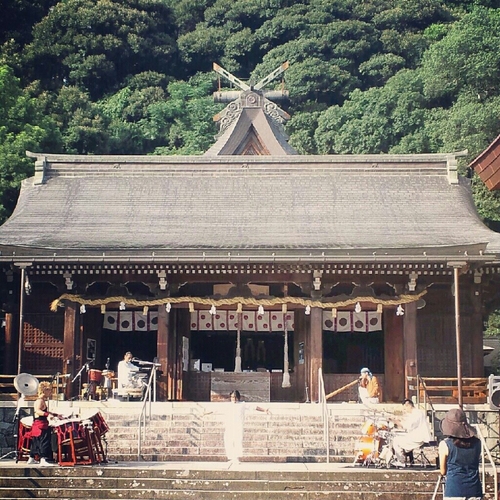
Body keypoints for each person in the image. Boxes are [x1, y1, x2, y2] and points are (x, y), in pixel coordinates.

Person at [438, 408, 482, 499]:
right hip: (475, 489)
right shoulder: (477, 443)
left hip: (454, 490)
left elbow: (443, 471)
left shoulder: (445, 444)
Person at [223, 390, 270, 465]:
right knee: (228, 441)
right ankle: (231, 457)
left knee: (237, 441)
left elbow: (254, 407)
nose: (234, 399)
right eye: (232, 397)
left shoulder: (242, 404)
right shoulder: (228, 405)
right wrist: (206, 412)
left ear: (238, 397)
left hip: (238, 426)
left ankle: (236, 458)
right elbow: (215, 410)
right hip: (229, 426)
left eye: (235, 397)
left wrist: (264, 410)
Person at [27, 381, 61, 466]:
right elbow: (38, 411)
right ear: (44, 390)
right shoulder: (39, 401)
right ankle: (43, 460)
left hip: (39, 424)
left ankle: (31, 458)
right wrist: (47, 414)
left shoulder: (41, 400)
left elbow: (43, 410)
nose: (50, 392)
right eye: (49, 390)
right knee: (44, 442)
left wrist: (55, 414)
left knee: (36, 442)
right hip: (40, 425)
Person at [391, 398, 431, 467]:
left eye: (405, 409)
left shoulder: (416, 413)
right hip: (416, 435)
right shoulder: (417, 412)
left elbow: (408, 425)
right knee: (400, 439)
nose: (405, 411)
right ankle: (404, 456)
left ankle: (401, 461)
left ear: (408, 405)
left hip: (419, 437)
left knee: (396, 440)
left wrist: (396, 422)